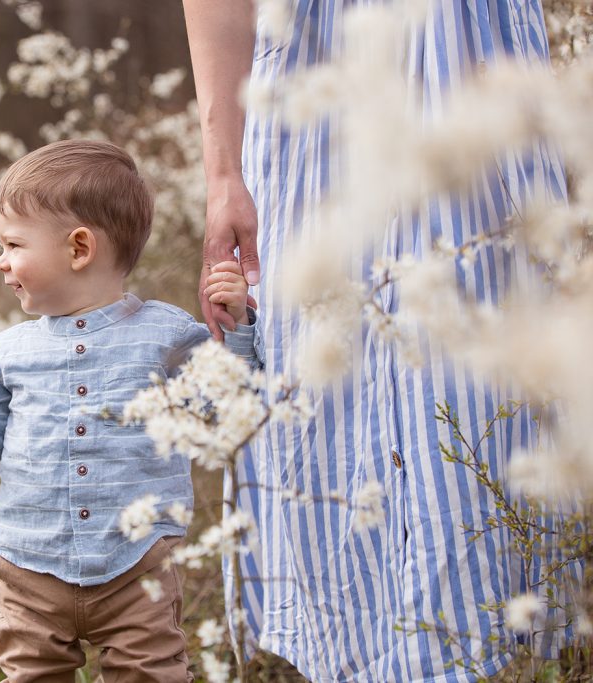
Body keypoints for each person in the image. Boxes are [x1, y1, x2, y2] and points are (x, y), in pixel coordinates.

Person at [183, 0, 575, 681]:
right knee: (330, 387)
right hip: (316, 77)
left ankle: (479, 650)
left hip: (471, 61)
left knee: (474, 371)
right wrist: (223, 177)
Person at [0, 140, 264, 682]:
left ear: (79, 248)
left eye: (13, 243)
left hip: (136, 567)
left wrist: (237, 332)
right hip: (29, 570)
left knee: (153, 674)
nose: (0, 260)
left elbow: (223, 410)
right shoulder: (10, 351)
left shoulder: (167, 335)